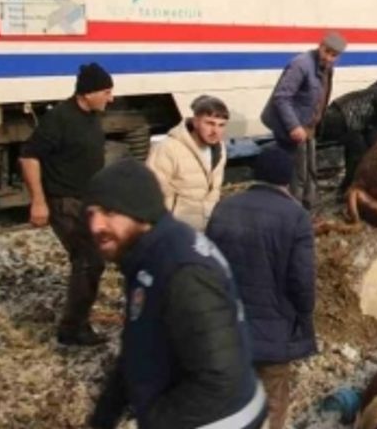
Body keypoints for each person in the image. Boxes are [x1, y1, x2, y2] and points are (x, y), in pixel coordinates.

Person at [85, 159, 267, 429]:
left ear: (139, 210)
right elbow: (141, 347)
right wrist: (105, 414)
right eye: (90, 214)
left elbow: (220, 378)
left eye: (109, 212)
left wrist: (153, 420)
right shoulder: (149, 257)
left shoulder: (182, 272)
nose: (95, 225)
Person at [206, 145, 316, 429]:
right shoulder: (296, 216)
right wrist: (303, 318)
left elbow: (208, 270)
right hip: (274, 333)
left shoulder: (224, 207)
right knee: (272, 403)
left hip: (227, 329)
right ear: (287, 179)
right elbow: (302, 282)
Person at [18, 62, 114, 346]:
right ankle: (73, 329)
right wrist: (38, 202)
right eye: (106, 92)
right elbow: (29, 157)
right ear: (88, 93)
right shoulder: (59, 119)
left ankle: (76, 323)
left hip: (87, 200)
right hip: (65, 202)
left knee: (91, 260)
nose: (111, 98)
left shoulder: (91, 116)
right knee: (88, 260)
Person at [261, 32, 346, 210]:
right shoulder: (301, 64)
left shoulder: (327, 67)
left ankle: (309, 205)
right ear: (320, 45)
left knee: (310, 169)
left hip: (308, 126)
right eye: (327, 52)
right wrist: (294, 126)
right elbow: (281, 97)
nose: (329, 58)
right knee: (297, 174)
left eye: (334, 55)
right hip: (291, 126)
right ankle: (294, 210)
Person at [146, 94, 229, 231]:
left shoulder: (219, 149)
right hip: (174, 229)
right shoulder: (168, 148)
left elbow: (214, 190)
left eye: (221, 125)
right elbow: (152, 192)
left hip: (204, 227)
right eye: (209, 123)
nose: (215, 131)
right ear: (195, 122)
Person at [319, 84, 377, 192]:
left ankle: (349, 185)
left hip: (342, 119)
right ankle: (351, 186)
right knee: (358, 153)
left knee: (357, 152)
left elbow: (372, 129)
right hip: (342, 119)